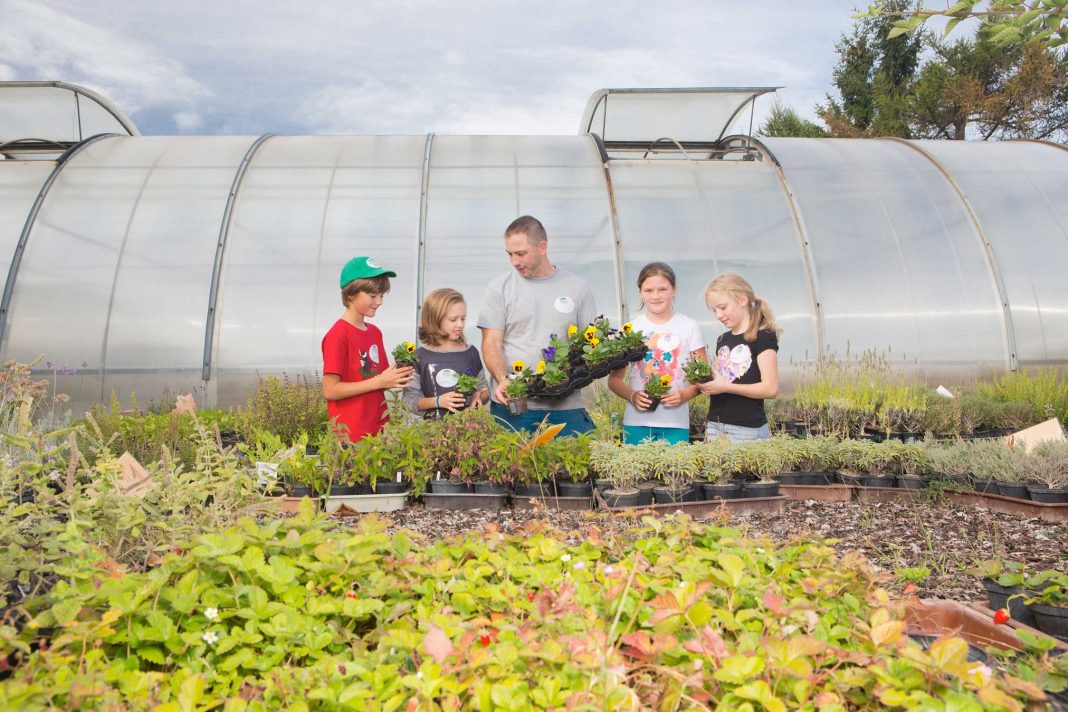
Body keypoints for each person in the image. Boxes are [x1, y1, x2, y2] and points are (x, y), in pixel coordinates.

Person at [478, 215, 597, 436]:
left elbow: (591, 345)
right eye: (510, 254)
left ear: (542, 247)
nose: (514, 261)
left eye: (521, 253)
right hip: (515, 405)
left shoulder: (577, 288)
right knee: (513, 468)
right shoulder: (499, 288)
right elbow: (491, 342)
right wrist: (503, 380)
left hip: (566, 407)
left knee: (574, 468)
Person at [608, 262, 707, 445]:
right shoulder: (631, 329)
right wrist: (633, 396)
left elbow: (703, 379)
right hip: (636, 423)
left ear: (674, 290)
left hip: (676, 425)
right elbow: (614, 381)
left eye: (662, 289)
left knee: (674, 474)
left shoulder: (690, 326)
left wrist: (684, 395)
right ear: (640, 292)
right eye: (648, 290)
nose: (655, 296)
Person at [321, 256, 414, 442]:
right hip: (350, 436)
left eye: (381, 295)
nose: (379, 302)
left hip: (379, 430)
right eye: (373, 296)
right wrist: (379, 382)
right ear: (350, 295)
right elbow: (330, 390)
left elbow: (378, 376)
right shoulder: (338, 335)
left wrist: (399, 374)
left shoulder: (374, 333)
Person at [699, 272, 780, 442]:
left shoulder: (763, 336)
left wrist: (726, 387)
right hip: (715, 424)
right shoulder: (723, 339)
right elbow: (725, 380)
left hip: (747, 430)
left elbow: (770, 388)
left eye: (722, 307)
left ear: (743, 300)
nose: (718, 315)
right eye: (714, 310)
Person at [403, 288, 488, 418]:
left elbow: (483, 389)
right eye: (453, 320)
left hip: (468, 430)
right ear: (435, 320)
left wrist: (480, 398)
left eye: (463, 318)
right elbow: (409, 400)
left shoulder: (470, 352)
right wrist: (437, 401)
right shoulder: (419, 357)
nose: (460, 324)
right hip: (430, 433)